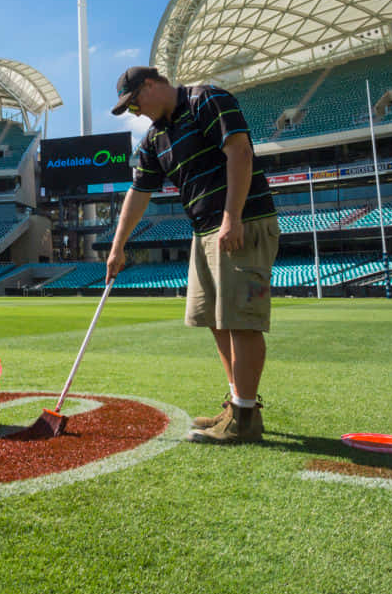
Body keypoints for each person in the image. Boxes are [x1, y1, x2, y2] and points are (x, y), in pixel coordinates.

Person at [104, 66, 280, 444]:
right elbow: (139, 193)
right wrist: (117, 247)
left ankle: (246, 416)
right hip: (204, 231)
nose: (136, 112)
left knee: (241, 320)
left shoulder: (206, 99)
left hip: (242, 221)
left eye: (135, 102)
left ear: (152, 85)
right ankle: (237, 405)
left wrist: (232, 216)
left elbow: (239, 152)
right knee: (216, 320)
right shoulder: (155, 138)